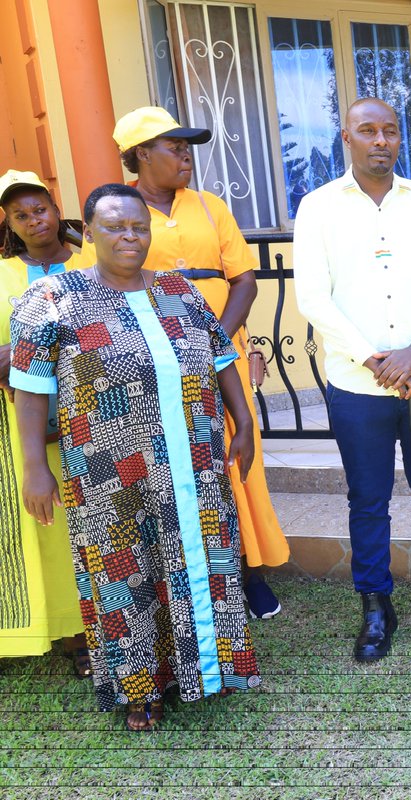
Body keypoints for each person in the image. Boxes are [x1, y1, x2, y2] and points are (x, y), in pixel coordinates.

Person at [10, 183, 261, 730]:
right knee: (122, 573)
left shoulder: (179, 290)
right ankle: (138, 688)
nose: (130, 236)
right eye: (115, 227)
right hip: (107, 471)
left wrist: (243, 422)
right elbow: (28, 387)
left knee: (201, 557)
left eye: (139, 227)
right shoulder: (52, 299)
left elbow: (219, 357)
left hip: (194, 462)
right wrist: (34, 466)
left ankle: (206, 670)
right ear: (88, 232)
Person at [294, 97, 411, 661]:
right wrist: (375, 360)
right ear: (346, 138)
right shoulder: (318, 208)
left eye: (390, 131)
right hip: (357, 385)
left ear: (400, 138)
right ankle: (376, 605)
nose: (380, 140)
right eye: (367, 130)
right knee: (368, 498)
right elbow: (313, 298)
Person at [99, 106, 289, 619]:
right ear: (141, 154)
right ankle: (196, 572)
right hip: (155, 358)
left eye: (188, 148)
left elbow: (243, 279)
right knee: (179, 460)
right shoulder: (118, 209)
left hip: (221, 349)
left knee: (237, 451)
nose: (186, 156)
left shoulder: (210, 205)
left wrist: (215, 343)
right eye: (175, 147)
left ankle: (250, 570)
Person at [0, 170, 87, 674]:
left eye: (40, 209)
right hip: (27, 420)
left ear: (56, 209)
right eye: (21, 215)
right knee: (49, 526)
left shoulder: (92, 261)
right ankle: (65, 629)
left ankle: (94, 627)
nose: (34, 220)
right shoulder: (3, 276)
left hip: (94, 418)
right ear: (10, 224)